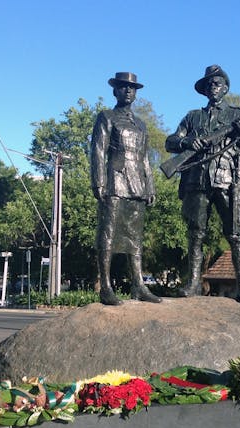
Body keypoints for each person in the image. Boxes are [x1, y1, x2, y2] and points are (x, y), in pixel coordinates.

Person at [165, 64, 240, 303]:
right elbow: (171, 141)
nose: (212, 87)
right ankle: (193, 283)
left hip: (228, 181)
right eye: (208, 85)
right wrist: (187, 143)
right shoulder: (192, 117)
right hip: (197, 180)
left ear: (225, 88)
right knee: (195, 234)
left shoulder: (237, 115)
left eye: (216, 84)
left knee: (235, 234)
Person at [90, 71, 161, 306]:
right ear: (115, 90)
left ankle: (138, 285)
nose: (128, 91)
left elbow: (145, 158)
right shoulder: (107, 117)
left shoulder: (140, 124)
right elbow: (98, 151)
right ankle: (106, 287)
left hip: (136, 184)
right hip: (114, 180)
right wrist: (98, 182)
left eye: (132, 88)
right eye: (123, 87)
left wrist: (149, 185)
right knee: (108, 233)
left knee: (135, 237)